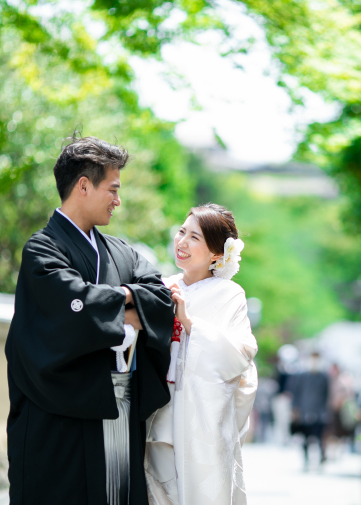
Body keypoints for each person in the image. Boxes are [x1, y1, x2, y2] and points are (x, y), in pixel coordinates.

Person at [5, 135, 174, 505]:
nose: (118, 200)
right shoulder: (42, 250)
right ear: (83, 186)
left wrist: (117, 304)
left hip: (119, 407)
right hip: (58, 418)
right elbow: (72, 305)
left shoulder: (121, 251)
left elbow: (160, 298)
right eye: (112, 189)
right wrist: (131, 302)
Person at [145, 203, 258, 505]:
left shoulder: (228, 295)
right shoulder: (160, 286)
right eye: (181, 232)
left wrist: (190, 323)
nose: (182, 242)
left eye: (194, 237)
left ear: (217, 254)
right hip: (157, 411)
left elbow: (241, 354)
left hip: (199, 421)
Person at [286, 351, 329, 468]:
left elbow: (327, 395)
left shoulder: (324, 376)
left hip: (319, 412)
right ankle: (306, 460)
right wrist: (295, 410)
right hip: (303, 412)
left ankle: (320, 459)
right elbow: (296, 393)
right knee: (304, 438)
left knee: (319, 438)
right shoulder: (301, 376)